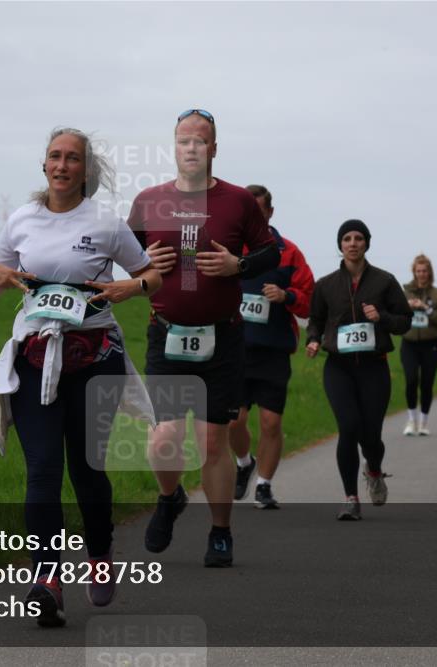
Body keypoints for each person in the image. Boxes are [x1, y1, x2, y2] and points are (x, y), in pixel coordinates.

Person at [0, 128, 162, 627]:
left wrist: (131, 288)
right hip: (35, 356)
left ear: (86, 170)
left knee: (86, 470)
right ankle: (46, 579)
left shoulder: (106, 223)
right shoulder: (22, 220)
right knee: (41, 470)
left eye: (73, 159)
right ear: (44, 166)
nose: (62, 165)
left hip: (94, 357)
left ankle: (100, 558)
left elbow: (152, 277)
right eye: (55, 157)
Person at [128, 109, 279, 566]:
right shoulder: (149, 200)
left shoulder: (238, 201)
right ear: (173, 147)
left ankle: (220, 532)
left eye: (200, 141)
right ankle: (169, 498)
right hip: (167, 336)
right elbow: (124, 253)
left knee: (213, 442)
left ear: (214, 149)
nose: (191, 148)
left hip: (223, 339)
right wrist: (141, 260)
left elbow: (270, 252)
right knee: (163, 439)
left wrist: (240, 266)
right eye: (183, 140)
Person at [306, 220, 412, 521]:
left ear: (367, 243)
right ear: (340, 245)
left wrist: (382, 317)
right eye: (347, 239)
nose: (353, 243)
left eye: (359, 238)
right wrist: (313, 340)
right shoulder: (326, 285)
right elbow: (315, 319)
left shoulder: (384, 281)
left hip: (373, 367)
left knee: (371, 436)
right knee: (348, 427)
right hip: (338, 367)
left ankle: (375, 469)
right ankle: (350, 497)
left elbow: (405, 320)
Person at [228, 184, 315, 509]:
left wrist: (287, 296)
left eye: (259, 211)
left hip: (274, 350)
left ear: (270, 213)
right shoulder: (228, 249)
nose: (253, 217)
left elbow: (309, 303)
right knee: (233, 421)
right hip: (234, 350)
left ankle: (264, 485)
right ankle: (243, 462)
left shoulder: (289, 252)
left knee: (271, 422)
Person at [400, 254, 437, 436]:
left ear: (429, 273)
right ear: (414, 272)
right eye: (418, 271)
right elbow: (396, 313)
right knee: (411, 380)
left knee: (427, 384)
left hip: (431, 345)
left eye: (424, 271)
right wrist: (408, 306)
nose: (421, 274)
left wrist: (426, 308)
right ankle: (411, 420)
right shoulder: (405, 292)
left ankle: (424, 422)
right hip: (409, 343)